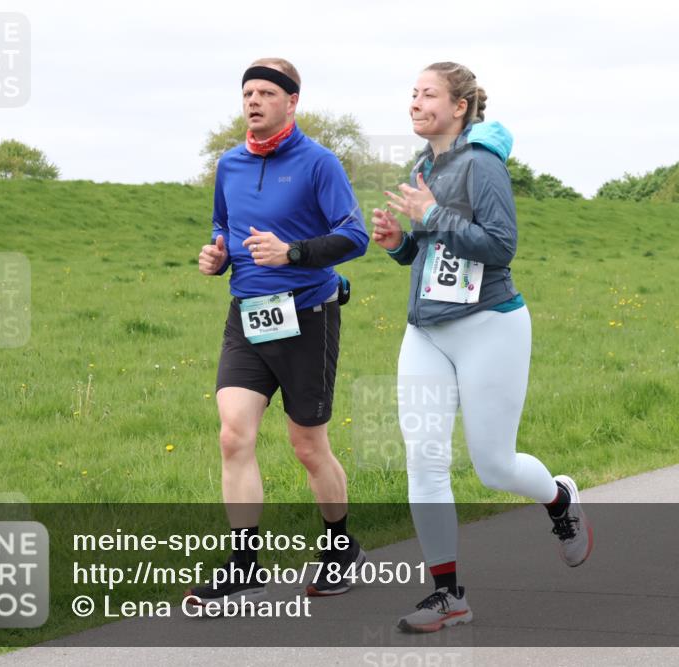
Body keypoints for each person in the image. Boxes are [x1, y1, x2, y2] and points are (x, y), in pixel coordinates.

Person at [371, 62, 593, 633]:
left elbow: (499, 245)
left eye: (427, 94)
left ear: (460, 107)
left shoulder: (483, 165)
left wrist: (433, 215)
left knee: (494, 466)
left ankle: (560, 502)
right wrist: (400, 243)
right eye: (412, 93)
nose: (415, 103)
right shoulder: (424, 165)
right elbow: (431, 252)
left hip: (488, 324)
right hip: (425, 331)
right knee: (424, 458)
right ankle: (448, 595)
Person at [186, 58, 369, 606]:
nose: (254, 101)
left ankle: (341, 545)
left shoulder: (318, 163)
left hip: (307, 315)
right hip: (247, 314)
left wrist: (293, 253)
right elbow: (224, 225)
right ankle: (244, 563)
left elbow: (354, 235)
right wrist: (217, 255)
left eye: (267, 92)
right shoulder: (230, 165)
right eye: (248, 92)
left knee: (307, 445)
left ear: (292, 102)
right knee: (233, 435)